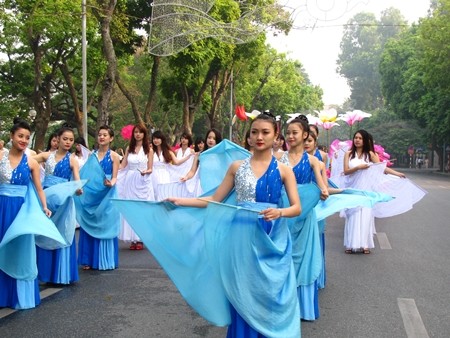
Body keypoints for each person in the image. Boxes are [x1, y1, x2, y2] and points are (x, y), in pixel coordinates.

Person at [115, 113, 302, 337]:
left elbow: (296, 208)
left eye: (265, 132)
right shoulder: (236, 167)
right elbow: (214, 200)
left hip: (270, 237)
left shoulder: (284, 170)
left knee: (267, 291)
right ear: (249, 137)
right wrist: (180, 200)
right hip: (239, 237)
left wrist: (279, 211)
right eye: (254, 132)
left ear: (276, 136)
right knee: (242, 289)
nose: (259, 137)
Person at [276, 115, 329, 321]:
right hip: (283, 216)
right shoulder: (278, 159)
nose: (290, 136)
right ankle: (283, 308)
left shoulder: (314, 160)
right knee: (284, 258)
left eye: (294, 133)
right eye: (287, 133)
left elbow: (322, 187)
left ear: (305, 135)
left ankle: (302, 309)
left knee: (302, 260)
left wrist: (323, 191)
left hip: (305, 219)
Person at [0, 119, 53, 309]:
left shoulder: (31, 163)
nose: (23, 140)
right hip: (2, 208)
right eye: (20, 136)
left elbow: (39, 189)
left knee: (20, 249)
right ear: (11, 137)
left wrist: (44, 207)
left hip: (22, 210)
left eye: (27, 138)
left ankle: (19, 297)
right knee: (2, 247)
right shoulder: (0, 158)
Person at [33, 124, 83, 284]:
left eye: (71, 140)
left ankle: (61, 275)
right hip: (46, 200)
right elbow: (25, 161)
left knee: (62, 234)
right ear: (58, 139)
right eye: (65, 139)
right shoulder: (46, 156)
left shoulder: (72, 159)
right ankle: (45, 273)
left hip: (63, 203)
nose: (68, 142)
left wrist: (78, 189)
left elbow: (77, 179)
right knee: (44, 233)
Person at [343, 130, 406, 254]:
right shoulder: (349, 154)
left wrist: (397, 173)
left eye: (360, 138)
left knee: (365, 215)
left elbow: (382, 168)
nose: (357, 140)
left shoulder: (370, 154)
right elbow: (346, 171)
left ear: (365, 140)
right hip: (353, 189)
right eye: (356, 137)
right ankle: (350, 244)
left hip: (367, 190)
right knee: (352, 215)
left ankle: (365, 244)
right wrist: (357, 168)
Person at [76, 125, 121, 270]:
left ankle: (104, 259)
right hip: (92, 193)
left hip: (108, 192)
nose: (101, 137)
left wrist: (110, 184)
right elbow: (86, 175)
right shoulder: (92, 156)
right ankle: (88, 259)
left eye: (105, 135)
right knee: (90, 221)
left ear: (111, 138)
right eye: (100, 135)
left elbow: (115, 177)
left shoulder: (114, 156)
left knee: (105, 223)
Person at [117, 124, 154, 251]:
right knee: (131, 209)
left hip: (143, 180)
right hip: (130, 180)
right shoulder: (129, 148)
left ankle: (140, 238)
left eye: (140, 132)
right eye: (136, 132)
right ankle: (132, 238)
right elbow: (123, 165)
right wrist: (113, 171)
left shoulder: (149, 149)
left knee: (141, 209)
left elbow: (150, 168)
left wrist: (145, 172)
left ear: (144, 134)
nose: (138, 134)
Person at [151, 130, 193, 200]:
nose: (155, 140)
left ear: (162, 139)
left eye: (158, 138)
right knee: (154, 194)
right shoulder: (151, 152)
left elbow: (177, 162)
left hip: (164, 175)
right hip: (154, 175)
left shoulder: (168, 152)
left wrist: (188, 156)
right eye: (154, 138)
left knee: (164, 194)